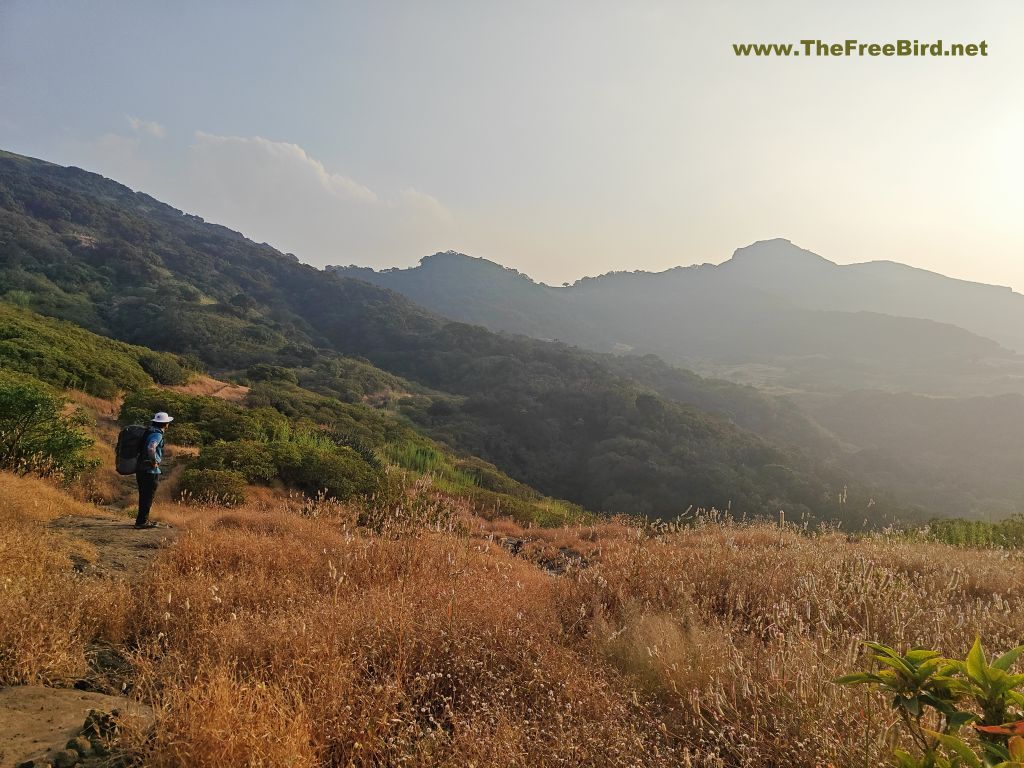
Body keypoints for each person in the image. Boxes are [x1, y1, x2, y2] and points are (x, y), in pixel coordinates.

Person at [135, 411, 173, 529]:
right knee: (148, 495)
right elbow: (151, 448)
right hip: (149, 470)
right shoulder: (157, 434)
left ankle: (141, 520)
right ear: (165, 423)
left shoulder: (148, 432)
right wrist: (154, 462)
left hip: (140, 467)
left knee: (144, 495)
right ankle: (142, 522)